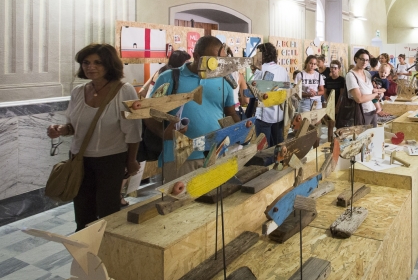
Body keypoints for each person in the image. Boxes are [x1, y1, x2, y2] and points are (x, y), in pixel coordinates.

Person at [46, 44, 142, 231]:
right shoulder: (78, 91)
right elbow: (73, 126)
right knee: (83, 212)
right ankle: (85, 245)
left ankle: (107, 245)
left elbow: (133, 131)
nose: (91, 67)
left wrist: (131, 160)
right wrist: (60, 130)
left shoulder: (124, 90)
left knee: (108, 212)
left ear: (109, 64)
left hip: (110, 160)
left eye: (98, 62)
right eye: (86, 62)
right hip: (79, 160)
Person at [147, 36, 238, 181]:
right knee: (180, 196)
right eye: (212, 60)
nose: (217, 65)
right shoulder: (169, 78)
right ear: (196, 56)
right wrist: (163, 133)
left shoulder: (224, 80)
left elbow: (230, 113)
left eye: (221, 60)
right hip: (180, 159)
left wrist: (242, 131)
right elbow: (148, 113)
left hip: (216, 154)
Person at [253, 43, 290, 147]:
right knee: (278, 145)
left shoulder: (261, 69)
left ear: (263, 55)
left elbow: (254, 91)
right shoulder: (283, 70)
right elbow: (287, 89)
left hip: (264, 115)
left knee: (264, 147)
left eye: (258, 54)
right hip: (279, 114)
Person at [346, 49, 383, 126]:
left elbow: (372, 91)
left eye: (367, 60)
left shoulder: (367, 73)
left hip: (372, 110)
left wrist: (378, 96)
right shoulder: (351, 75)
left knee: (374, 133)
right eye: (362, 59)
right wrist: (375, 95)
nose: (365, 62)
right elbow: (359, 99)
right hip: (361, 112)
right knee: (363, 133)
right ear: (356, 59)